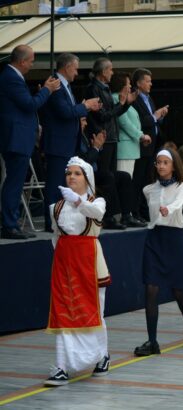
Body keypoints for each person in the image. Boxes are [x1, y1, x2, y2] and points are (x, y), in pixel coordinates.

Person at [45, 157, 110, 386]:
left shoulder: (97, 202)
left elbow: (96, 213)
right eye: (68, 173)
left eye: (77, 173)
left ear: (87, 178)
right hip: (65, 266)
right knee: (63, 312)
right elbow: (56, 236)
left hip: (91, 264)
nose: (71, 177)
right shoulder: (55, 208)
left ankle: (101, 355)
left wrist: (78, 201)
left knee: (95, 312)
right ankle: (61, 366)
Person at [134, 149, 183, 356]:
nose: (161, 166)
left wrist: (168, 209)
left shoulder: (182, 186)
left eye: (165, 162)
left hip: (175, 239)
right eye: (158, 162)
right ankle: (152, 341)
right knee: (150, 289)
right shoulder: (148, 189)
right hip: (154, 238)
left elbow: (178, 203)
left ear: (173, 165)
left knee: (178, 289)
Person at [0, 45, 60, 239]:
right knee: (14, 182)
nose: (32, 65)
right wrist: (47, 90)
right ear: (22, 61)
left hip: (18, 137)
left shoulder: (12, 76)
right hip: (16, 138)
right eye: (31, 61)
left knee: (16, 181)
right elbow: (29, 104)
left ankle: (12, 223)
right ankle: (9, 225)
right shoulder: (11, 77)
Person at [40, 53, 102, 233]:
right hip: (58, 144)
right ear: (67, 67)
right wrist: (86, 105)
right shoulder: (55, 84)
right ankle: (51, 222)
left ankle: (60, 219)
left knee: (64, 183)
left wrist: (84, 107)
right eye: (75, 69)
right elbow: (65, 112)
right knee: (55, 184)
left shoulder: (66, 86)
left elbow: (70, 112)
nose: (76, 73)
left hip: (67, 144)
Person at [85, 57, 136, 174]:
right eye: (111, 69)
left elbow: (114, 114)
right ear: (103, 72)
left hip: (111, 137)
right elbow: (102, 116)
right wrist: (121, 104)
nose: (112, 73)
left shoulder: (105, 88)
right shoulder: (93, 88)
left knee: (112, 175)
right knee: (105, 175)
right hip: (103, 138)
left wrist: (126, 104)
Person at [132, 68, 169, 222]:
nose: (150, 84)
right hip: (141, 146)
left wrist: (160, 116)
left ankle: (145, 211)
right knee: (139, 180)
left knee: (149, 180)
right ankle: (135, 212)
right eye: (147, 81)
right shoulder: (134, 99)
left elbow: (153, 120)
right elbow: (140, 122)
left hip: (153, 146)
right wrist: (155, 116)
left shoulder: (149, 98)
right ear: (138, 83)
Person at [111, 72, 150, 178]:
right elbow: (124, 122)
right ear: (121, 85)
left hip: (130, 148)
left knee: (127, 180)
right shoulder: (115, 98)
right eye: (128, 84)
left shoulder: (123, 98)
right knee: (123, 180)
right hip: (124, 149)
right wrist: (141, 135)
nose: (130, 86)